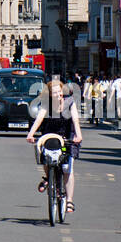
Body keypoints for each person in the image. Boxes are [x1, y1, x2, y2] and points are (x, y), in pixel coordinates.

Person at [26, 75, 83, 213]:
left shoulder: (70, 102)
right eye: (54, 92)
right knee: (45, 156)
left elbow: (75, 120)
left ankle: (69, 201)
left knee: (67, 168)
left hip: (67, 135)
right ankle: (47, 177)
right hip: (50, 134)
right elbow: (39, 119)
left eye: (59, 91)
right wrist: (31, 133)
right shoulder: (46, 104)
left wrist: (78, 134)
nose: (58, 94)